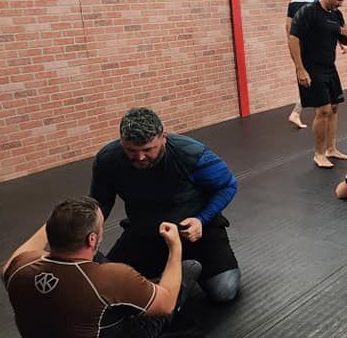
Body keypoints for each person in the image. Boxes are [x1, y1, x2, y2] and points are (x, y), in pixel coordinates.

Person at [1, 197, 201, 338]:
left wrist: (63, 218)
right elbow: (166, 305)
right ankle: (145, 300)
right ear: (91, 239)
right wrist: (175, 246)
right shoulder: (113, 278)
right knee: (190, 267)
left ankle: (135, 296)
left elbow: (24, 253)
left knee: (97, 263)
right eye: (101, 229)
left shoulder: (18, 266)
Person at [90, 108, 241, 302]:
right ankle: (170, 275)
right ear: (121, 142)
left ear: (163, 137)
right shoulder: (107, 159)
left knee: (224, 291)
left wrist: (201, 220)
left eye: (147, 149)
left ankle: (177, 276)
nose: (140, 157)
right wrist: (89, 232)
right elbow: (100, 200)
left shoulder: (190, 154)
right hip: (145, 233)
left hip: (193, 232)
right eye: (131, 150)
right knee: (107, 286)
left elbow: (227, 185)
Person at [289, 0, 347, 168]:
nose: (340, 3)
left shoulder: (337, 15)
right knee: (323, 110)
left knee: (334, 107)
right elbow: (293, 39)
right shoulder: (308, 12)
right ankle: (318, 153)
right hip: (311, 68)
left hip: (329, 67)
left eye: (342, 0)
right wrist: (300, 69)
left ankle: (331, 149)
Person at [284, 0, 324, 130]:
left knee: (308, 79)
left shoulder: (294, 0)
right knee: (315, 79)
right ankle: (298, 113)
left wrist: (292, 46)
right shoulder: (315, 1)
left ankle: (297, 112)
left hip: (297, 46)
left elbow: (288, 26)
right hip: (310, 48)